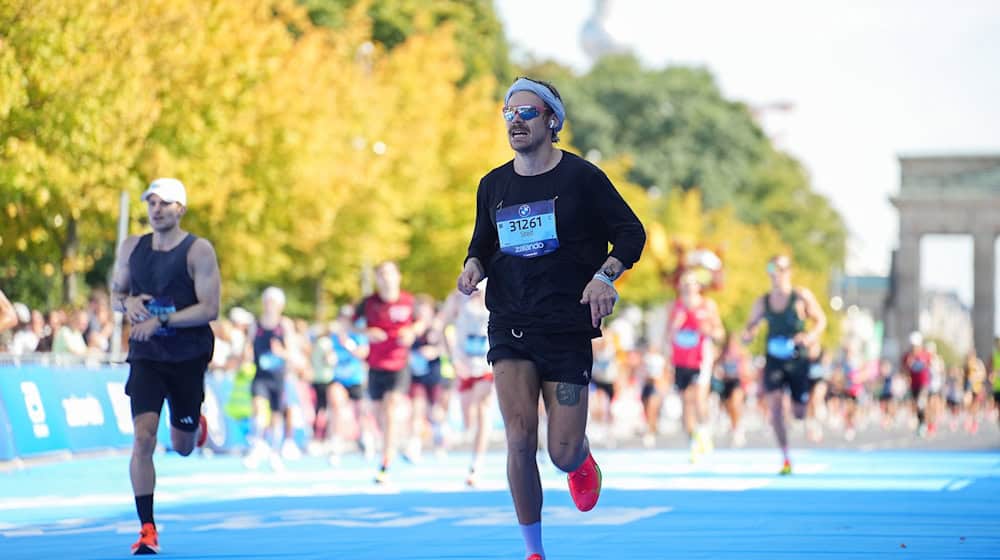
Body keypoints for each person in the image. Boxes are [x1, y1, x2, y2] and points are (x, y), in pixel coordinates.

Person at [457, 76, 645, 560]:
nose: (515, 122)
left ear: (552, 120)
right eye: (508, 113)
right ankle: (533, 550)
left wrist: (605, 277)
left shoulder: (583, 179)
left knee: (560, 450)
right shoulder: (493, 185)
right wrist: (473, 265)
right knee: (519, 438)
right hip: (510, 324)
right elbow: (482, 243)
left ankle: (581, 461)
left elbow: (631, 234)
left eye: (526, 113)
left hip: (565, 326)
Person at [110, 177, 219, 555]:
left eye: (165, 203)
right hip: (147, 355)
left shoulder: (198, 250)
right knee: (143, 437)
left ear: (181, 209)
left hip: (188, 355)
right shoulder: (132, 247)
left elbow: (210, 308)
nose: (157, 209)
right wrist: (129, 305)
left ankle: (193, 422)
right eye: (152, 203)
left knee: (183, 446)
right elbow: (116, 294)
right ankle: (147, 529)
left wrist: (163, 320)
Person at [741, 254, 826, 475]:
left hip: (798, 360)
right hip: (774, 360)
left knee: (798, 412)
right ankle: (785, 456)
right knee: (776, 408)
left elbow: (820, 320)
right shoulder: (764, 301)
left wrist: (810, 336)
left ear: (788, 271)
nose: (775, 274)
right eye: (771, 269)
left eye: (779, 269)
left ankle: (805, 414)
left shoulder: (800, 296)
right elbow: (751, 324)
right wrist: (749, 334)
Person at [357, 260, 418, 483]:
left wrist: (411, 331)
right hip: (375, 366)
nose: (386, 278)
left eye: (389, 274)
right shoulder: (368, 303)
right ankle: (398, 442)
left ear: (398, 277)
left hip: (399, 363)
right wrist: (367, 331)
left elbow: (422, 322)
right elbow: (348, 325)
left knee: (391, 406)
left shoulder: (409, 301)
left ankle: (385, 460)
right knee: (379, 413)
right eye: (381, 275)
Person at [664, 271, 724, 463]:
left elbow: (720, 333)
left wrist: (709, 330)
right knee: (685, 403)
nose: (689, 287)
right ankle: (693, 442)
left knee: (699, 399)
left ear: (699, 287)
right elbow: (667, 335)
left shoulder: (707, 306)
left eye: (693, 283)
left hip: (701, 359)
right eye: (685, 284)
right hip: (680, 361)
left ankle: (705, 431)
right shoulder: (675, 307)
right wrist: (675, 326)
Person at [439, 285, 494, 486]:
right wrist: (452, 357)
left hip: (487, 364)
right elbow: (442, 326)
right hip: (463, 365)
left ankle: (476, 464)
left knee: (483, 407)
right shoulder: (457, 299)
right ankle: (458, 436)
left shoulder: (495, 293)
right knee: (468, 420)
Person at [243, 287, 295, 472]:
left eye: (274, 302)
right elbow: (247, 347)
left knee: (276, 416)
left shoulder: (284, 325)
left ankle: (274, 451)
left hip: (278, 377)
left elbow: (292, 353)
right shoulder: (255, 325)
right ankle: (257, 443)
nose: (270, 306)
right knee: (258, 406)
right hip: (260, 376)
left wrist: (281, 352)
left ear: (280, 305)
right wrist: (246, 355)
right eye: (267, 301)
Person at [901, 331, 933, 437]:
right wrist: (907, 368)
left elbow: (931, 367)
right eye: (912, 346)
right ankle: (922, 423)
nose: (914, 348)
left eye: (916, 345)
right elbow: (904, 370)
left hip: (924, 383)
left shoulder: (925, 354)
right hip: (913, 384)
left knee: (921, 402)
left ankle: (926, 424)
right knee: (917, 405)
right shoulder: (907, 356)